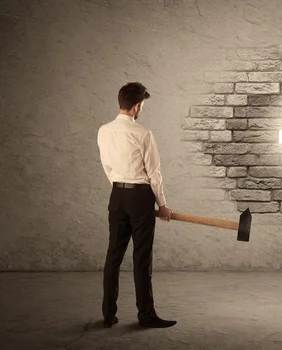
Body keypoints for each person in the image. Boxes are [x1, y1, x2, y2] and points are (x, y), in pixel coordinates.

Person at [97, 82, 176, 328]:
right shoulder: (143, 133)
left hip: (117, 195)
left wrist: (121, 187)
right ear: (137, 107)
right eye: (142, 106)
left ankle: (108, 315)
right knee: (142, 258)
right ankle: (146, 315)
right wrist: (162, 204)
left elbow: (107, 167)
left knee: (113, 256)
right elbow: (154, 172)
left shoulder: (103, 130)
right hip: (141, 197)